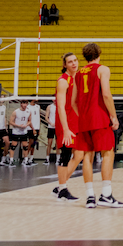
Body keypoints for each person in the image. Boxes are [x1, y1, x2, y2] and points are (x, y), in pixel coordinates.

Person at [72, 42, 122, 209]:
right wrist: (113, 116)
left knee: (87, 156)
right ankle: (106, 195)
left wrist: (84, 116)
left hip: (84, 120)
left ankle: (90, 197)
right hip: (99, 117)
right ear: (99, 53)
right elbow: (106, 95)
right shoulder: (102, 69)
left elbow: (73, 102)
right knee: (108, 153)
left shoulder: (78, 73)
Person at [52, 52, 82, 201]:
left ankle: (60, 186)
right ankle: (63, 189)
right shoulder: (63, 81)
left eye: (75, 60)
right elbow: (61, 107)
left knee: (80, 155)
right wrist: (65, 129)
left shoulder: (77, 78)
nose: (74, 64)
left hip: (75, 121)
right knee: (66, 155)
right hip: (66, 122)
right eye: (70, 62)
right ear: (65, 65)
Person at [8, 100, 34, 167]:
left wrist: (26, 125)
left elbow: (29, 121)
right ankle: (11, 161)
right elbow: (11, 121)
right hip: (16, 131)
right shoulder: (16, 112)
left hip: (24, 131)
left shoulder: (28, 111)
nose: (25, 106)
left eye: (26, 104)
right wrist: (18, 125)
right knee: (13, 146)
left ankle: (25, 160)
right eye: (24, 104)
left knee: (25, 146)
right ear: (21, 104)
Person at [28, 100, 41, 165]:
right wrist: (32, 128)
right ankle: (26, 159)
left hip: (37, 127)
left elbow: (38, 118)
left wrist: (39, 127)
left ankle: (31, 158)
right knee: (30, 143)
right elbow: (28, 119)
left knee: (34, 144)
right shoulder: (28, 107)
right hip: (30, 128)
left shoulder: (38, 106)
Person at [45, 100, 57, 164]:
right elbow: (46, 117)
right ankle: (47, 159)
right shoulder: (49, 107)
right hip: (51, 127)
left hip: (58, 127)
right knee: (49, 143)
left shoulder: (60, 106)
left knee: (57, 144)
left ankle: (58, 159)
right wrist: (51, 123)